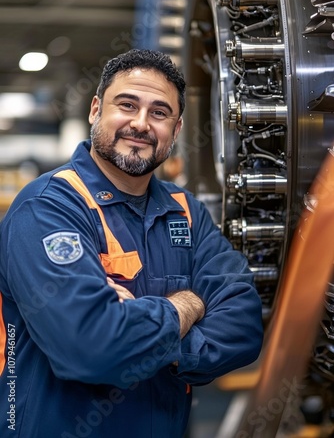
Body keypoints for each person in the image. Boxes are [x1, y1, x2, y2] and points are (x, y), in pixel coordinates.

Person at [0, 48, 263, 438]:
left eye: (159, 113)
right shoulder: (47, 209)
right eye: (126, 105)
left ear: (175, 131)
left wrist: (136, 335)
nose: (140, 124)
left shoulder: (184, 211)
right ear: (95, 111)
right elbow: (89, 347)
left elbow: (244, 324)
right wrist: (187, 305)